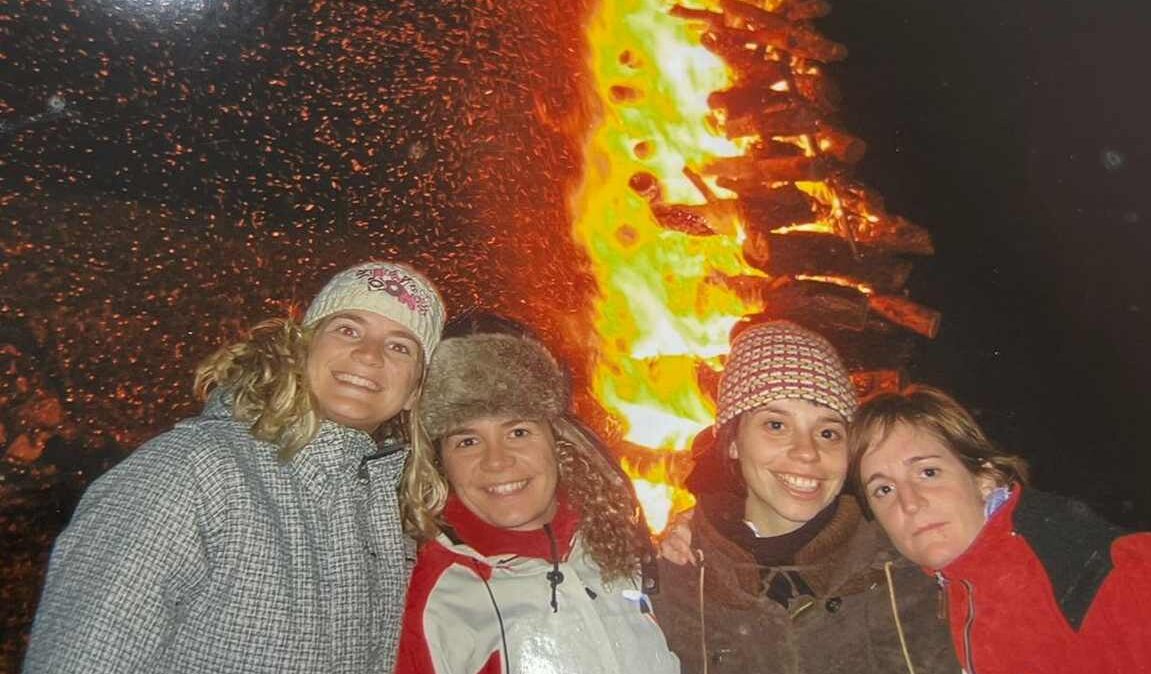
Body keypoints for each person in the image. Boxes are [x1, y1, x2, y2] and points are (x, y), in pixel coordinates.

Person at [23, 261, 446, 674]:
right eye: (347, 329)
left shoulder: (389, 520)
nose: (369, 355)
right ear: (301, 348)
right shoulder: (191, 472)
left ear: (413, 392)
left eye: (399, 346)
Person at [653, 320, 956, 674]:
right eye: (776, 425)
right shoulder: (679, 583)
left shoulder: (906, 558)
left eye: (828, 432)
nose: (807, 452)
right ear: (733, 442)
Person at [397, 331, 680, 674]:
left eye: (518, 432)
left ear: (556, 441)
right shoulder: (437, 596)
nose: (497, 461)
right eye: (468, 441)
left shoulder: (617, 545)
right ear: (442, 462)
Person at [849, 384, 1151, 674]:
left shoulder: (1093, 565)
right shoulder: (916, 592)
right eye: (883, 490)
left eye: (928, 472)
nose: (909, 503)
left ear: (984, 478)